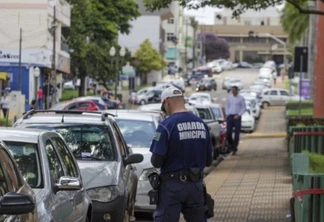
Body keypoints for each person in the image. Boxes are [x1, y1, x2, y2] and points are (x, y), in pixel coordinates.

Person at [150, 86, 213, 222]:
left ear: (167, 102)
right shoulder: (202, 124)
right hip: (196, 186)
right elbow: (209, 161)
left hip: (172, 187)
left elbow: (156, 161)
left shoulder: (166, 126)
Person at [225, 86, 246, 155]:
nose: (233, 91)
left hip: (237, 117)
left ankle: (234, 149)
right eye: (232, 90)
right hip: (230, 116)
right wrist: (227, 113)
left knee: (237, 134)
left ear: (237, 90)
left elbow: (243, 107)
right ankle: (232, 146)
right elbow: (227, 106)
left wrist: (239, 115)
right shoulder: (230, 98)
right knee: (228, 133)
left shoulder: (241, 98)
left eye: (234, 90)